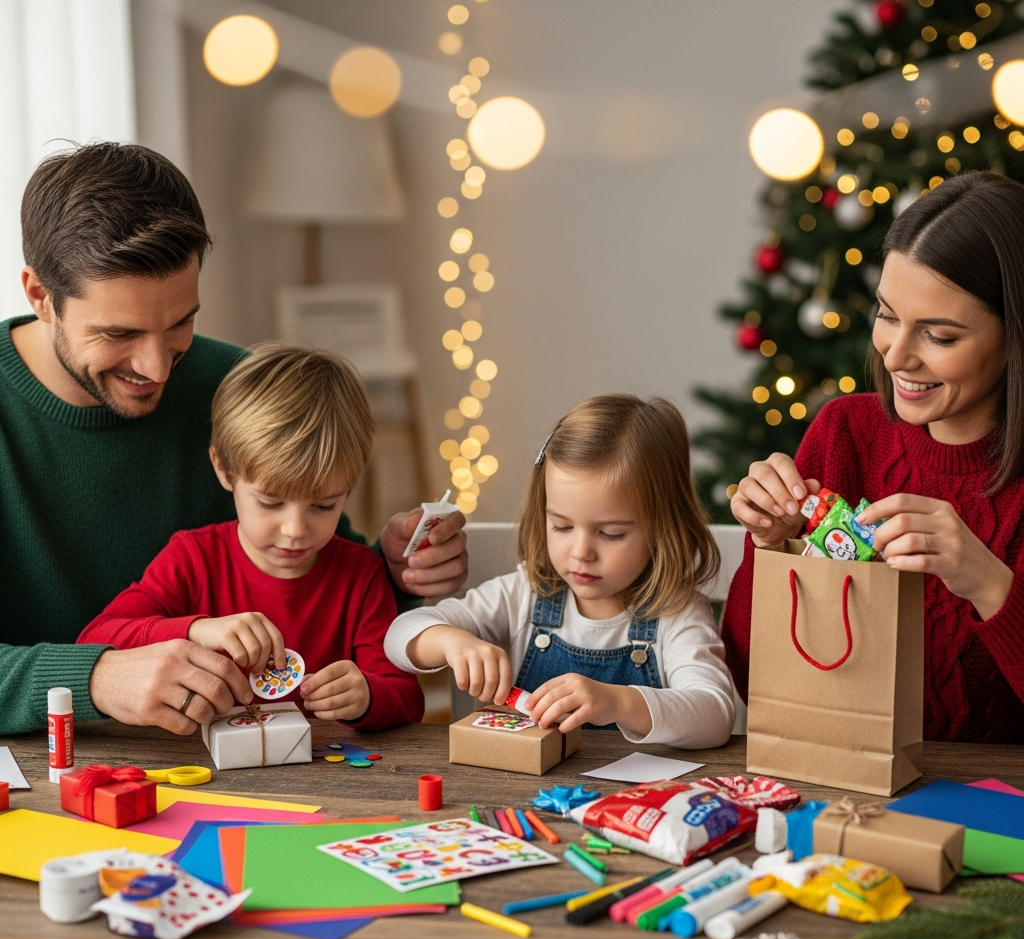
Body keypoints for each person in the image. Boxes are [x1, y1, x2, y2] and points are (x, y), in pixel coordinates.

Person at [0, 142, 466, 737]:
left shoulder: (235, 387)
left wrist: (400, 572)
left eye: (180, 324)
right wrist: (93, 677)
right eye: (119, 333)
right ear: (41, 296)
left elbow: (327, 587)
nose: (158, 369)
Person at [724, 170, 1024, 743]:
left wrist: (989, 584)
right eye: (887, 316)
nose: (895, 356)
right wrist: (771, 546)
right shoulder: (846, 432)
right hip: (845, 791)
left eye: (939, 336)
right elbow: (749, 677)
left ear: (1015, 337)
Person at [79, 343, 423, 730]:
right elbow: (94, 640)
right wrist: (197, 629)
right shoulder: (192, 558)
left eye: (324, 506)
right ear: (224, 470)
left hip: (325, 777)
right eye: (270, 503)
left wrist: (366, 697)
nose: (295, 530)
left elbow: (407, 697)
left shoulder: (362, 574)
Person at [385, 394, 737, 746]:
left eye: (611, 533)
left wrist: (617, 702)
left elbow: (715, 714)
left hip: (636, 798)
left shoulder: (678, 613)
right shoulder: (523, 595)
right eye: (562, 527)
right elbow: (399, 634)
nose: (581, 552)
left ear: (663, 527)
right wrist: (452, 643)